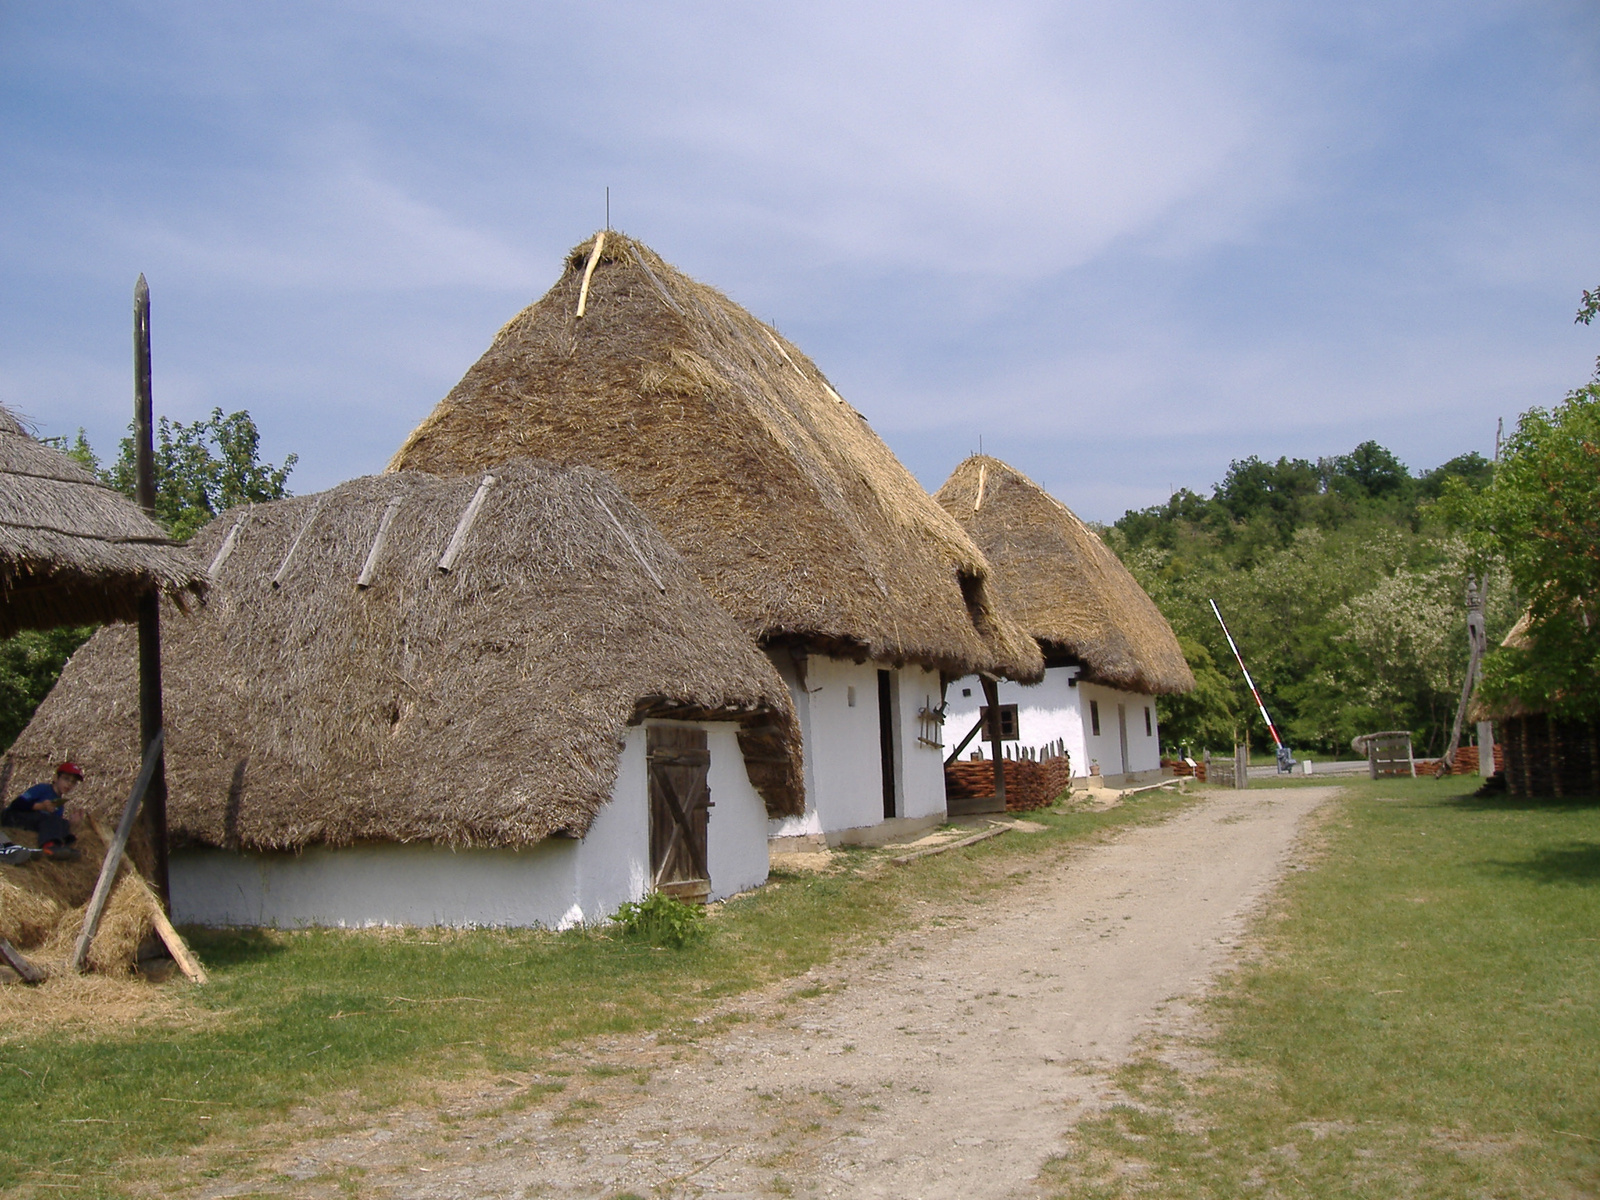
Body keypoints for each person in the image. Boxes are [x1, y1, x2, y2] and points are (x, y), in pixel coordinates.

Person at [2, 762, 84, 862]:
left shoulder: (60, 805)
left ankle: (62, 846)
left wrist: (71, 824)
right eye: (66, 779)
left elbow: (53, 825)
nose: (69, 784)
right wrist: (40, 806)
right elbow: (16, 804)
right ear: (55, 778)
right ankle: (49, 846)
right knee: (48, 818)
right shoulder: (43, 789)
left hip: (34, 823)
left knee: (62, 822)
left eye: (73, 782)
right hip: (13, 818)